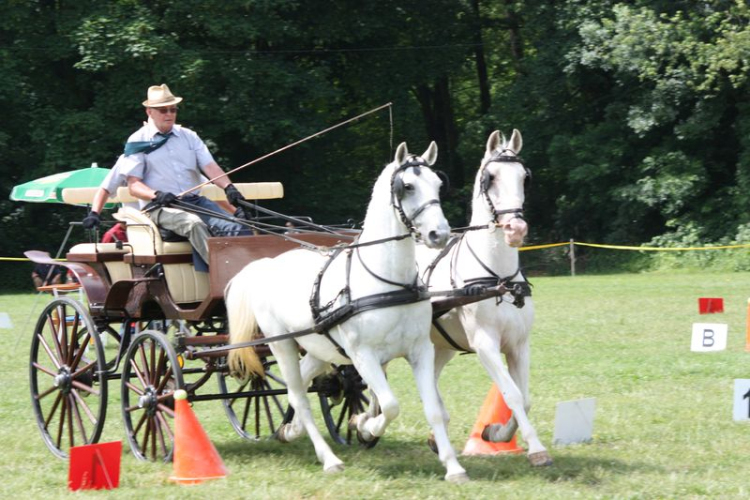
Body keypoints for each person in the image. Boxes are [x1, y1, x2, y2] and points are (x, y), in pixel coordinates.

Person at [125, 84, 248, 271]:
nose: (169, 114)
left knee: (236, 226)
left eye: (173, 109)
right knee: (193, 223)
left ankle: (247, 269)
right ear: (149, 111)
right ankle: (224, 273)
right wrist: (157, 194)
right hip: (160, 207)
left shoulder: (189, 136)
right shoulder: (138, 141)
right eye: (163, 110)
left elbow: (210, 166)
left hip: (194, 202)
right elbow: (133, 186)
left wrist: (229, 188)